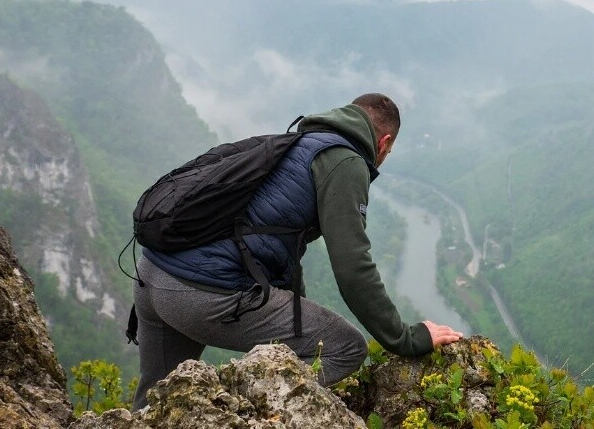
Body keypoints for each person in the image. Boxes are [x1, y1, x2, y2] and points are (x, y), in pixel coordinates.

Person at [131, 93, 463, 409]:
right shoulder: (345, 163)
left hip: (151, 275)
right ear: (384, 143)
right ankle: (236, 411)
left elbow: (286, 251)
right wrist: (406, 339)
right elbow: (353, 267)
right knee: (345, 348)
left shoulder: (301, 142)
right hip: (200, 294)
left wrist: (295, 315)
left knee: (153, 404)